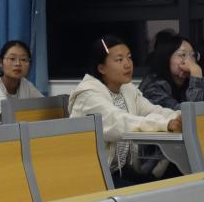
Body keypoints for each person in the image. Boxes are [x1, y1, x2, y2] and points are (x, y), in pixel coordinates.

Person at [68, 35, 181, 187]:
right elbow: (119, 122)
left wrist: (180, 117)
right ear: (101, 68)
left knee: (171, 182)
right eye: (119, 60)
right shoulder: (88, 96)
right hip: (93, 177)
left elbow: (151, 111)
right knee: (155, 192)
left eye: (129, 57)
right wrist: (165, 124)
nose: (127, 64)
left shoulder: (126, 88)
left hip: (120, 171)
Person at [138, 35, 204, 110]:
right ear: (166, 58)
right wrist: (196, 72)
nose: (190, 61)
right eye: (183, 55)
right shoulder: (153, 87)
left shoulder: (188, 82)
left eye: (193, 56)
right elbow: (190, 112)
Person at [0, 40, 45, 123]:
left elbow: (45, 108)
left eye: (23, 59)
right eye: (12, 59)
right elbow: (7, 116)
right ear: (1, 63)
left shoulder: (25, 84)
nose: (18, 64)